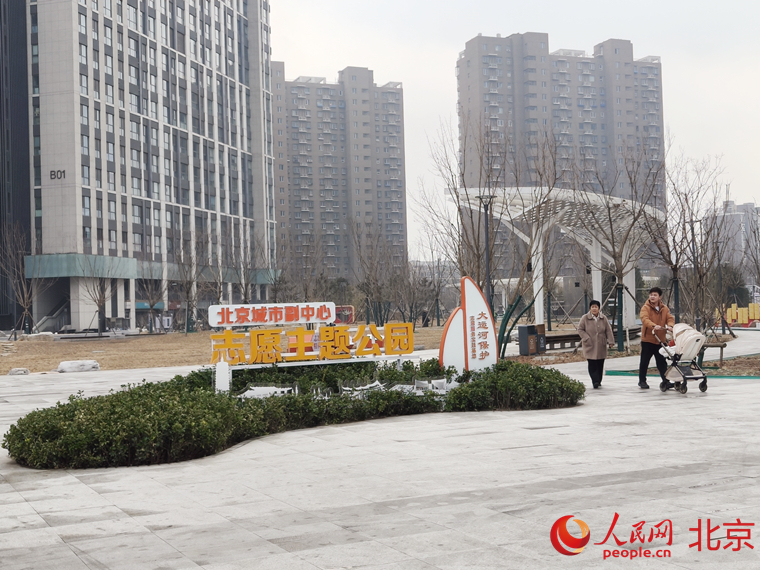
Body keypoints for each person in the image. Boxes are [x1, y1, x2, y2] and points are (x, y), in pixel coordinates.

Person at [638, 286, 675, 389]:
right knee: (644, 362)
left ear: (660, 297)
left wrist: (670, 326)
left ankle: (666, 381)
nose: (652, 297)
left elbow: (670, 318)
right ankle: (642, 381)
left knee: (662, 362)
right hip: (648, 340)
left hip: (660, 340)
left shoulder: (664, 308)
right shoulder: (645, 308)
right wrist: (654, 326)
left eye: (655, 295)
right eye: (651, 295)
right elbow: (644, 319)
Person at [577, 300, 615, 389]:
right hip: (590, 345)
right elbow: (580, 329)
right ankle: (595, 381)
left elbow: (608, 330)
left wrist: (611, 341)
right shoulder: (585, 318)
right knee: (592, 363)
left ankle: (599, 380)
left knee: (600, 363)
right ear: (590, 308)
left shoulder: (603, 318)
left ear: (599, 308)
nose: (594, 308)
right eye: (592, 307)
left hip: (601, 344)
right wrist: (586, 338)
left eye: (596, 307)